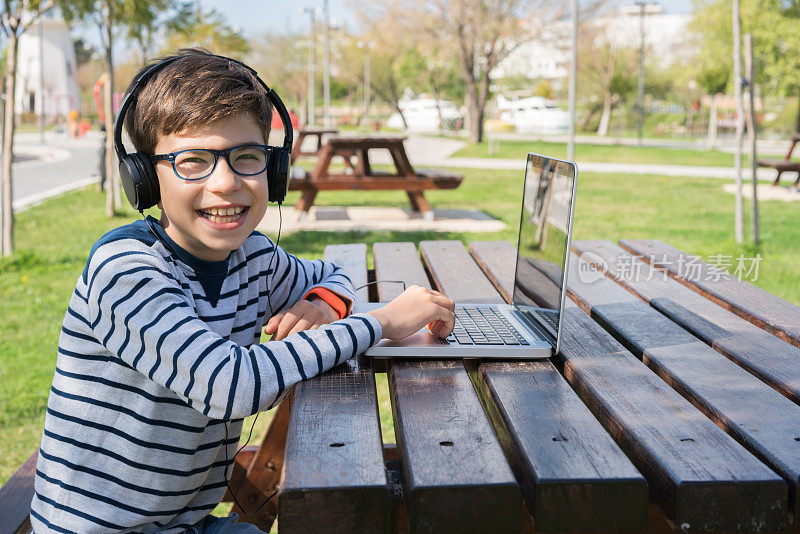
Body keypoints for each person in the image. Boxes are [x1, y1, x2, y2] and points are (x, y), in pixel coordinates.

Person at [30, 48, 455, 534]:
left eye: (246, 157)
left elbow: (336, 274)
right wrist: (380, 323)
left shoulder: (252, 257)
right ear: (144, 177)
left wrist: (323, 304)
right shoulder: (125, 271)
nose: (227, 183)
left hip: (183, 522)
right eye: (192, 161)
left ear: (272, 170)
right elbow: (229, 385)